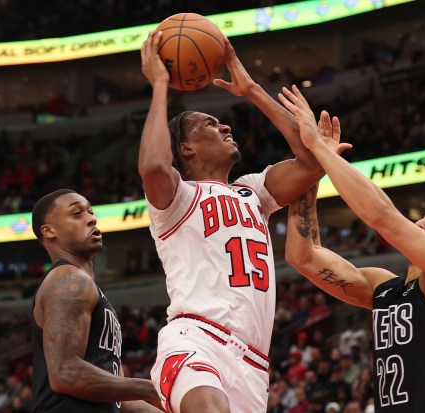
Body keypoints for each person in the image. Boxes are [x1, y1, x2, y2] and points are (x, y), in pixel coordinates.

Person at [138, 31, 348, 413]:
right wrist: (160, 85)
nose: (226, 127)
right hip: (196, 336)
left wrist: (251, 88)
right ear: (185, 148)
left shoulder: (252, 192)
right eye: (210, 124)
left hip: (253, 362)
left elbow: (315, 162)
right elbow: (153, 165)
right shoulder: (177, 198)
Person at [279, 86, 425, 412]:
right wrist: (311, 170)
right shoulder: (383, 289)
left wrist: (320, 148)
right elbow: (301, 256)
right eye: (424, 216)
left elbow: (383, 217)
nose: (419, 223)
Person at [30, 189, 162, 412]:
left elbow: (124, 401)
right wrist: (151, 388)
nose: (92, 218)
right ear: (49, 231)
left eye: (90, 211)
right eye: (77, 213)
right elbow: (65, 372)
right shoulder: (68, 280)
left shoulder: (88, 289)